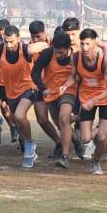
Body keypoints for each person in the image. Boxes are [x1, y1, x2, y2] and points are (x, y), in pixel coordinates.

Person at [0, 25, 40, 168]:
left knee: (19, 115)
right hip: (11, 92)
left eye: (11, 41)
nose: (9, 45)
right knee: (17, 121)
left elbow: (43, 45)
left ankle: (29, 145)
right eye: (6, 41)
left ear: (18, 38)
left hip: (29, 87)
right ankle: (31, 151)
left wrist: (39, 45)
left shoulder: (26, 49)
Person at [69, 28, 107, 175]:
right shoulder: (75, 58)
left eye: (88, 44)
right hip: (86, 97)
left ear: (95, 43)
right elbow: (73, 76)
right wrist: (65, 85)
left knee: (102, 138)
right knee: (85, 138)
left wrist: (94, 101)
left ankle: (96, 161)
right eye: (82, 44)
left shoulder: (105, 61)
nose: (84, 48)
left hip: (105, 98)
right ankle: (86, 123)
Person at [32, 31, 77, 167]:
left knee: (63, 118)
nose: (58, 55)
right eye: (56, 52)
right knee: (57, 123)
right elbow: (34, 72)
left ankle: (65, 156)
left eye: (61, 53)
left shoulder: (77, 56)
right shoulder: (47, 53)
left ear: (69, 48)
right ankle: (75, 140)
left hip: (69, 91)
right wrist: (43, 88)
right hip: (51, 91)